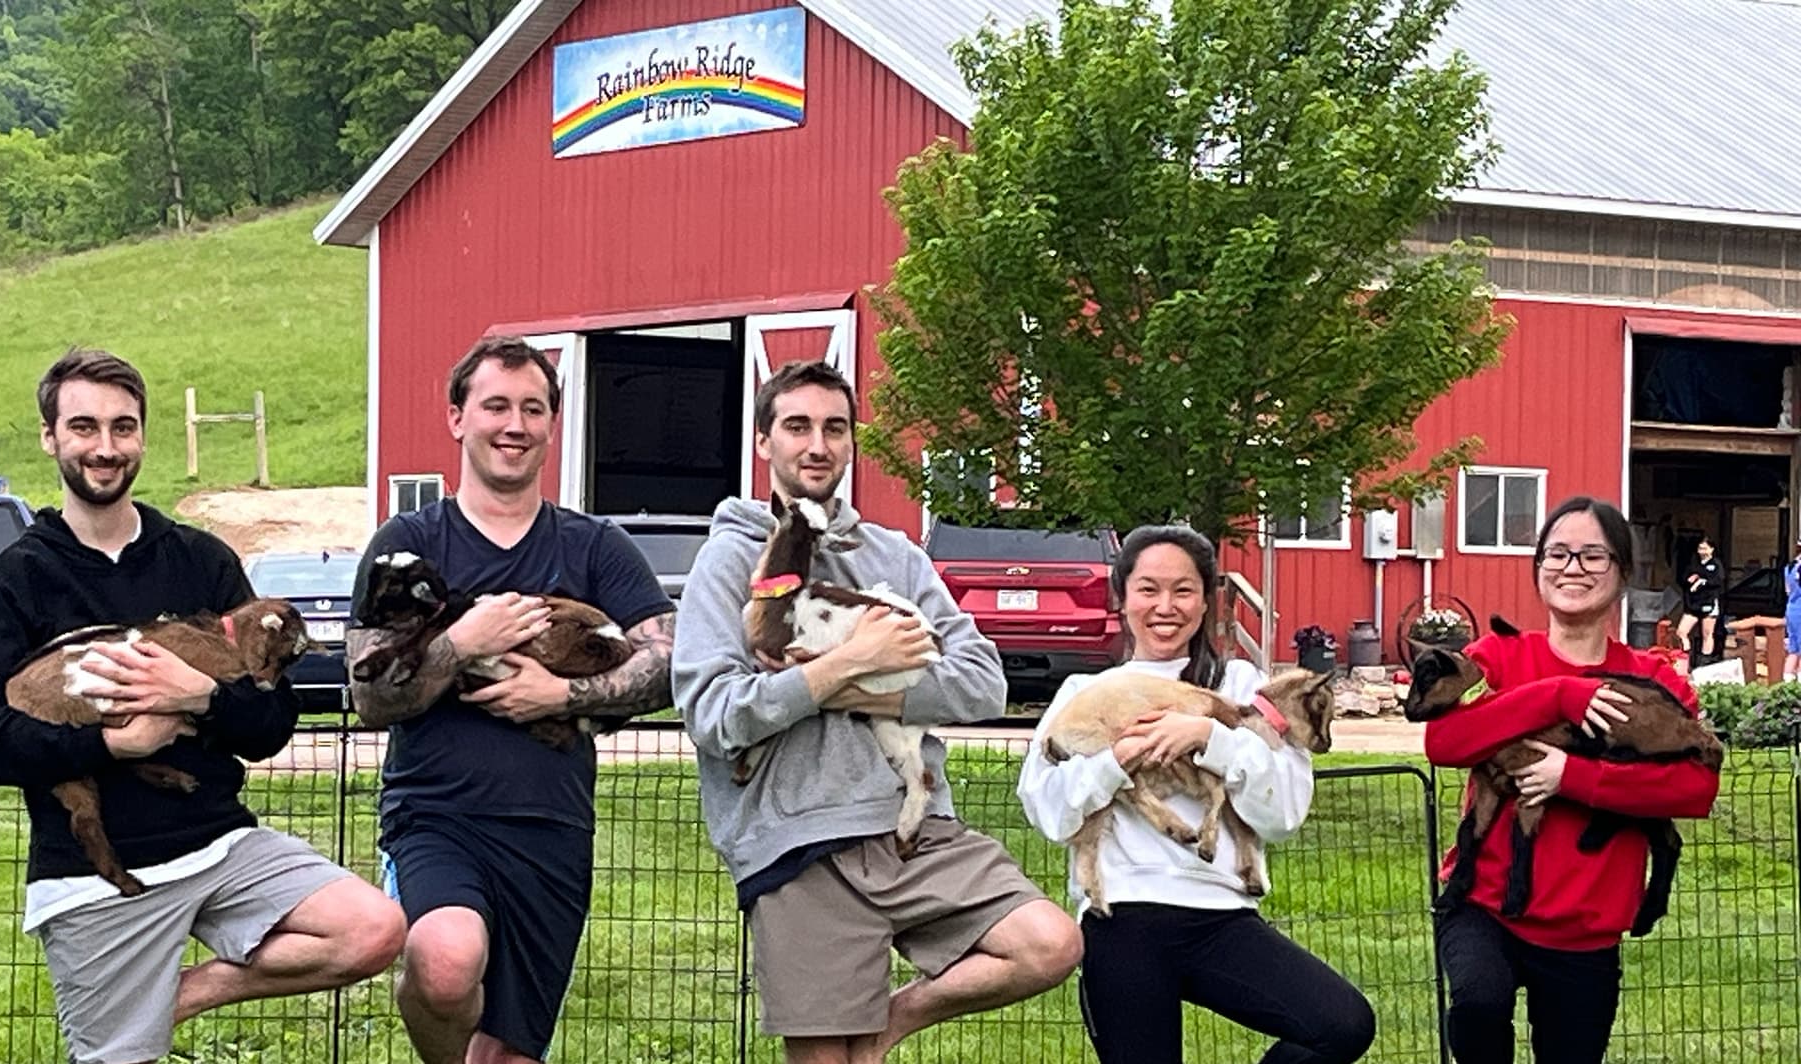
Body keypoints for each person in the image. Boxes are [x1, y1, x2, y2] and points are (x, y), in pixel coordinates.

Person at [0, 348, 407, 1064]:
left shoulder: (200, 559)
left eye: (123, 428)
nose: (106, 448)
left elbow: (270, 725)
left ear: (143, 437)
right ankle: (130, 1013)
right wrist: (112, 747)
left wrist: (202, 696)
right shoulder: (16, 581)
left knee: (372, 929)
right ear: (50, 437)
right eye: (85, 427)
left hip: (218, 843)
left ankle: (177, 994)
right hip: (93, 873)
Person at [671, 359, 1082, 1064]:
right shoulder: (729, 559)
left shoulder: (894, 556)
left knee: (1049, 943)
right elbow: (713, 715)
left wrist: (859, 688)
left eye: (835, 428)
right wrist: (848, 662)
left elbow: (983, 683)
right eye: (797, 426)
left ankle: (892, 1023)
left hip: (913, 832)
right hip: (797, 845)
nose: (817, 445)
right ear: (764, 441)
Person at [346, 335, 676, 1064]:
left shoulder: (594, 547)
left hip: (551, 829)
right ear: (457, 418)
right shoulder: (408, 545)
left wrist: (561, 692)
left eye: (532, 409)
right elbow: (367, 693)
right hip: (435, 814)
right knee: (444, 960)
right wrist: (463, 642)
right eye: (495, 405)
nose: (514, 425)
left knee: (510, 1054)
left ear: (552, 426)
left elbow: (670, 659)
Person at [1017, 524, 1375, 1064]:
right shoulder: (1082, 695)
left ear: (1207, 602)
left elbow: (1283, 815)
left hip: (1221, 918)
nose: (1166, 606)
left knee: (1342, 1025)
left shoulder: (1244, 688)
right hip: (1122, 919)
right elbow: (1049, 813)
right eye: (1148, 589)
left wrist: (1211, 739)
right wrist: (1118, 759)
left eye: (1184, 590)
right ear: (1123, 597)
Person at [1424, 496, 1721, 1063]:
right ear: (1538, 569)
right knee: (1478, 1003)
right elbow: (1444, 744)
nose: (1572, 568)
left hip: (1584, 930)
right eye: (1557, 554)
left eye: (1592, 556)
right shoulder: (1501, 657)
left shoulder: (1650, 678)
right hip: (1484, 906)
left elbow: (1696, 788)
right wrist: (1559, 694)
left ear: (1623, 573)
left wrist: (1573, 776)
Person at [1675, 534, 1722, 666]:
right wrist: (1689, 580)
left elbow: (1718, 581)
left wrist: (1702, 582)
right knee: (1681, 632)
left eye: (1705, 549)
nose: (1702, 552)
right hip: (1693, 604)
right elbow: (1683, 579)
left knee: (1707, 634)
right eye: (1700, 548)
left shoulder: (1716, 564)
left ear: (1712, 550)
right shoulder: (1693, 564)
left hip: (1709, 602)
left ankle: (1704, 665)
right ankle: (1686, 658)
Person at [1784, 538, 1801, 681]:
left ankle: (1787, 686)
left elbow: (1788, 590)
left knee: (1793, 649)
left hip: (1791, 608)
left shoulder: (1790, 566)